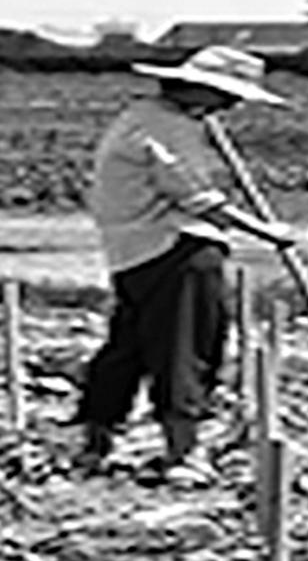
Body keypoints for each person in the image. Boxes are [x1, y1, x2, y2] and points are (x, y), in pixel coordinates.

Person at [71, 45, 295, 483]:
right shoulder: (170, 128)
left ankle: (95, 442)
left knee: (128, 348)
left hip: (132, 251)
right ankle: (184, 454)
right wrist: (267, 233)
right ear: (199, 89)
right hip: (176, 249)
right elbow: (195, 197)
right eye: (227, 96)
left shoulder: (139, 118)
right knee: (186, 349)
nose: (231, 106)